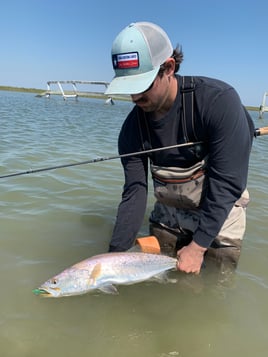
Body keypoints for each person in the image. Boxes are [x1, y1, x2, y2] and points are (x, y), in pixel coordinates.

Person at [105, 22, 254, 274]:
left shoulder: (218, 102)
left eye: (142, 86)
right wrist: (111, 259)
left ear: (169, 68)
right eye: (128, 88)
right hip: (169, 212)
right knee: (163, 286)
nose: (134, 98)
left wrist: (197, 247)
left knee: (211, 290)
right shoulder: (132, 130)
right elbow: (135, 192)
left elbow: (227, 183)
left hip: (220, 204)